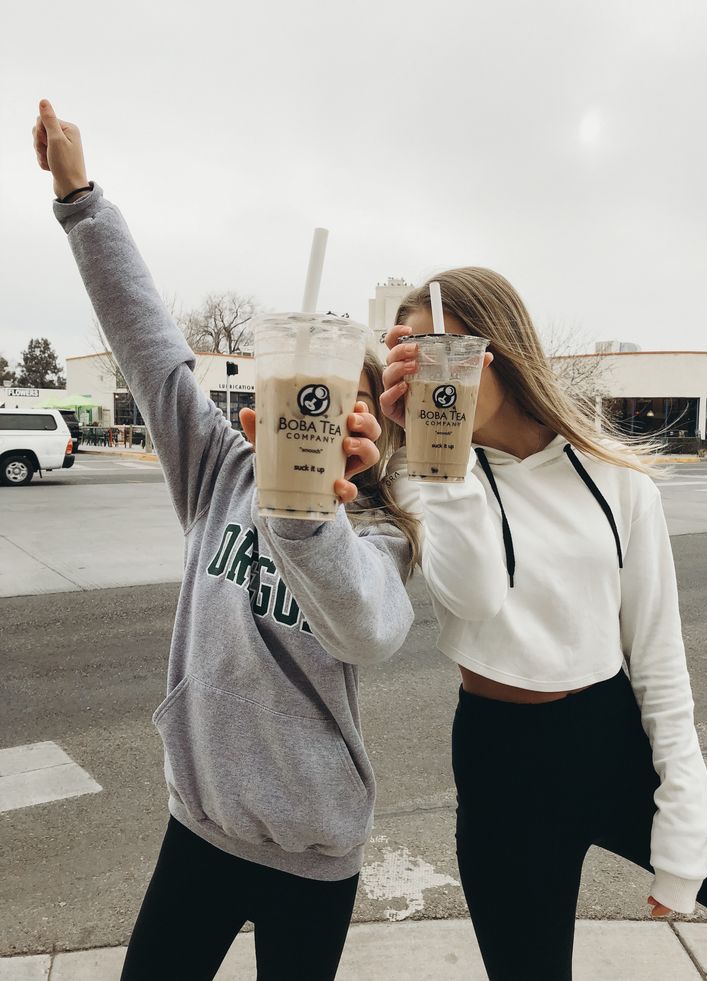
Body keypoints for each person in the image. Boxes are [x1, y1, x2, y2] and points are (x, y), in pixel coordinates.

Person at [33, 98, 419, 981]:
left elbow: (368, 630)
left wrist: (316, 512)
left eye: (351, 394)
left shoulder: (384, 534)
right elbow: (153, 352)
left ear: (368, 418)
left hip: (314, 849)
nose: (330, 408)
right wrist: (82, 199)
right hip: (201, 823)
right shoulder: (221, 466)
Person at [380, 268, 707, 981]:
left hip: (610, 737)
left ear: (499, 349)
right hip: (502, 762)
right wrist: (439, 458)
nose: (434, 373)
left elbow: (660, 660)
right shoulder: (426, 476)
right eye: (413, 356)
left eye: (446, 350)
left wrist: (685, 830)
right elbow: (477, 595)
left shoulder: (614, 478)